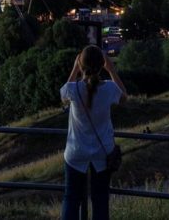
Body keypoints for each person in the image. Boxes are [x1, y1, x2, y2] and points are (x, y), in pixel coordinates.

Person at [60, 45, 128, 220]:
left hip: (75, 152)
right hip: (102, 153)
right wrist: (111, 70)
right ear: (101, 65)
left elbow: (63, 97)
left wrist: (75, 68)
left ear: (81, 65)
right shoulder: (109, 88)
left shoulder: (73, 89)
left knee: (71, 199)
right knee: (100, 200)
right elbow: (124, 98)